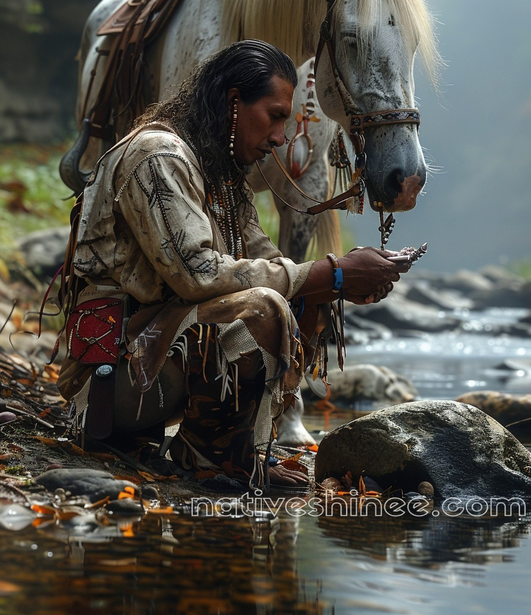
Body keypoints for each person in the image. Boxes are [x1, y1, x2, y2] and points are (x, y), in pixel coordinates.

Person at [57, 40, 409, 490]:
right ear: (233, 102)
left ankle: (230, 446)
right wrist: (329, 272)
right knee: (265, 306)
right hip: (108, 389)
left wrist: (337, 280)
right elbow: (198, 274)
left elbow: (266, 260)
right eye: (276, 115)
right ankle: (212, 457)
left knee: (307, 298)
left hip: (154, 365)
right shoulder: (158, 156)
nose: (282, 137)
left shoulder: (220, 173)